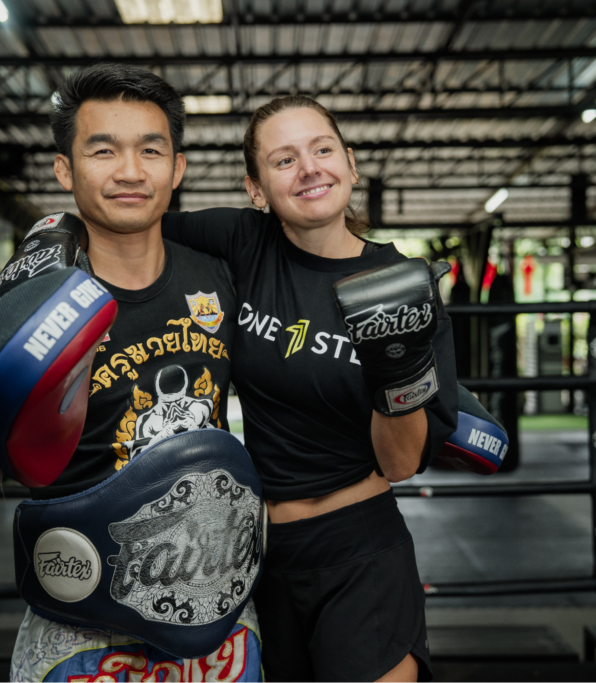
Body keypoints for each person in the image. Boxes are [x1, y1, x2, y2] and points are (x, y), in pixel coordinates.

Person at [0, 65, 262, 683]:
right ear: (65, 170)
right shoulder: (32, 304)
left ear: (177, 168)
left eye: (150, 151)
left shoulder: (220, 277)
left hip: (216, 616)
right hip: (80, 630)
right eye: (103, 150)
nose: (130, 171)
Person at [159, 95, 458, 683]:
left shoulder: (403, 285)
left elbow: (400, 463)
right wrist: (57, 240)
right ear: (256, 189)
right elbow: (135, 219)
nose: (309, 168)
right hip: (256, 555)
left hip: (360, 551)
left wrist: (394, 367)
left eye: (322, 149)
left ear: (350, 163)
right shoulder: (245, 241)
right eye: (284, 159)